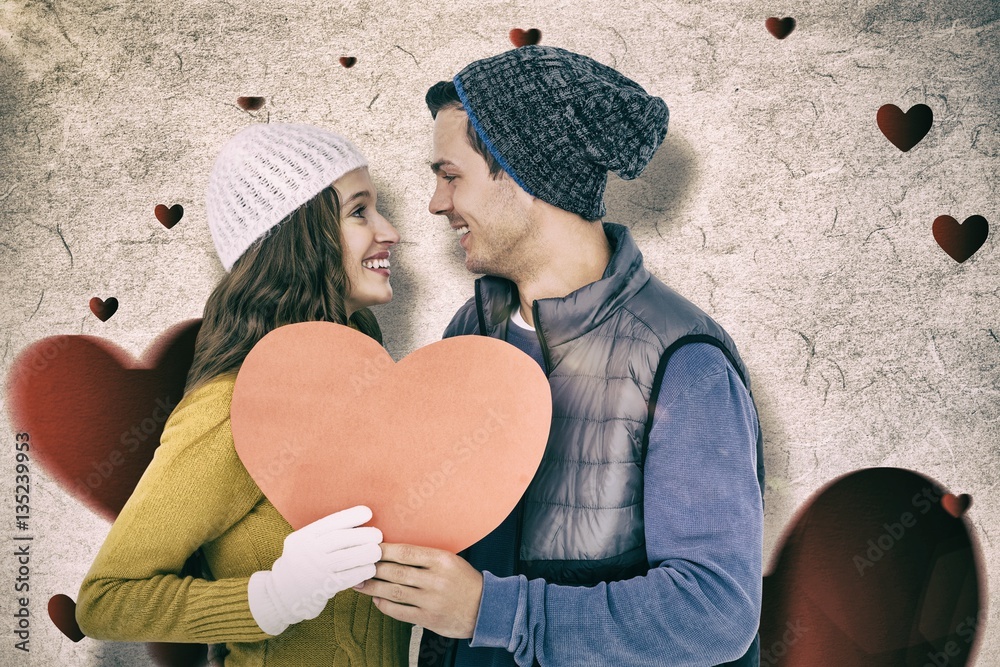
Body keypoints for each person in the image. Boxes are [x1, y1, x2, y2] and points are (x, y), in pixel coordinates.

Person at [352, 46, 765, 666]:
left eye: (451, 174)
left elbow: (714, 612)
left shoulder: (683, 362)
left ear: (523, 174)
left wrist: (492, 611)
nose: (436, 203)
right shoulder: (471, 331)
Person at [75, 123, 411, 666]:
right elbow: (106, 599)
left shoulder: (364, 389)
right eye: (359, 211)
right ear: (298, 237)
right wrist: (272, 598)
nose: (390, 231)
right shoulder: (232, 407)